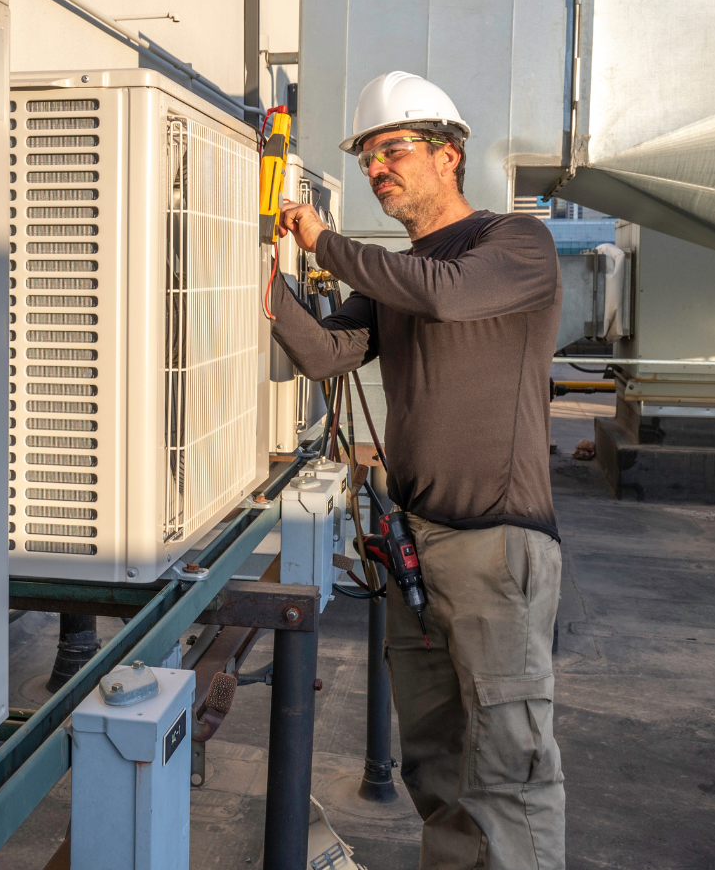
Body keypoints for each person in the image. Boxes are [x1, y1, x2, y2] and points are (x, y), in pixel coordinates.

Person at [269, 71, 565, 870]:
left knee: (508, 768)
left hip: (495, 550)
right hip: (414, 547)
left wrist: (327, 243)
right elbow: (331, 352)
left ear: (450, 153)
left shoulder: (512, 245)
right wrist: (269, 285)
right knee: (435, 766)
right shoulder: (396, 277)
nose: (377, 169)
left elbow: (446, 298)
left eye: (392, 149)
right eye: (368, 158)